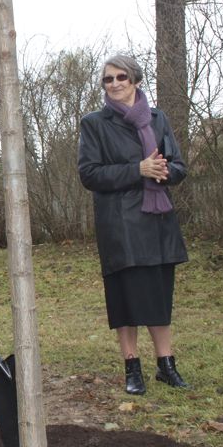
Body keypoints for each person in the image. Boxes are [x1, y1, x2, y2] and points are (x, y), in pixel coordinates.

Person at [77, 54, 190, 396]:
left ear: (136, 81)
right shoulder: (94, 123)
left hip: (157, 222)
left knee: (159, 297)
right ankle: (132, 369)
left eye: (121, 77)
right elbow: (89, 174)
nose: (114, 84)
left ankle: (166, 365)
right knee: (125, 301)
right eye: (108, 79)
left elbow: (179, 166)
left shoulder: (158, 119)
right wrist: (138, 170)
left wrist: (164, 171)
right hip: (120, 226)